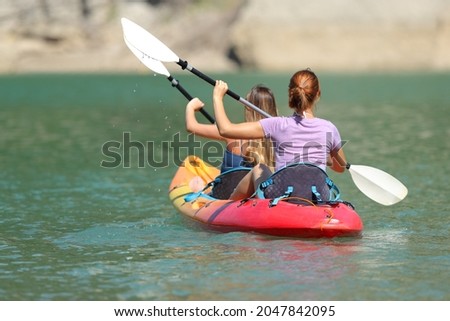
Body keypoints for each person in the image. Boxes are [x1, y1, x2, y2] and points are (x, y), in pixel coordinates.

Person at [212, 69, 347, 200]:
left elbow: (225, 129)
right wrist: (326, 158)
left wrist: (218, 97)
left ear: (290, 93)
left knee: (260, 168)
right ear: (318, 94)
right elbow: (340, 168)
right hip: (318, 195)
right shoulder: (330, 128)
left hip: (282, 193)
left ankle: (229, 205)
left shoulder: (277, 124)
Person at [185, 84, 278, 173]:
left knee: (190, 162)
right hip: (261, 186)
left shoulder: (233, 133)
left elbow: (191, 126)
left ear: (249, 108)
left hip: (229, 188)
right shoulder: (280, 136)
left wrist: (191, 107)